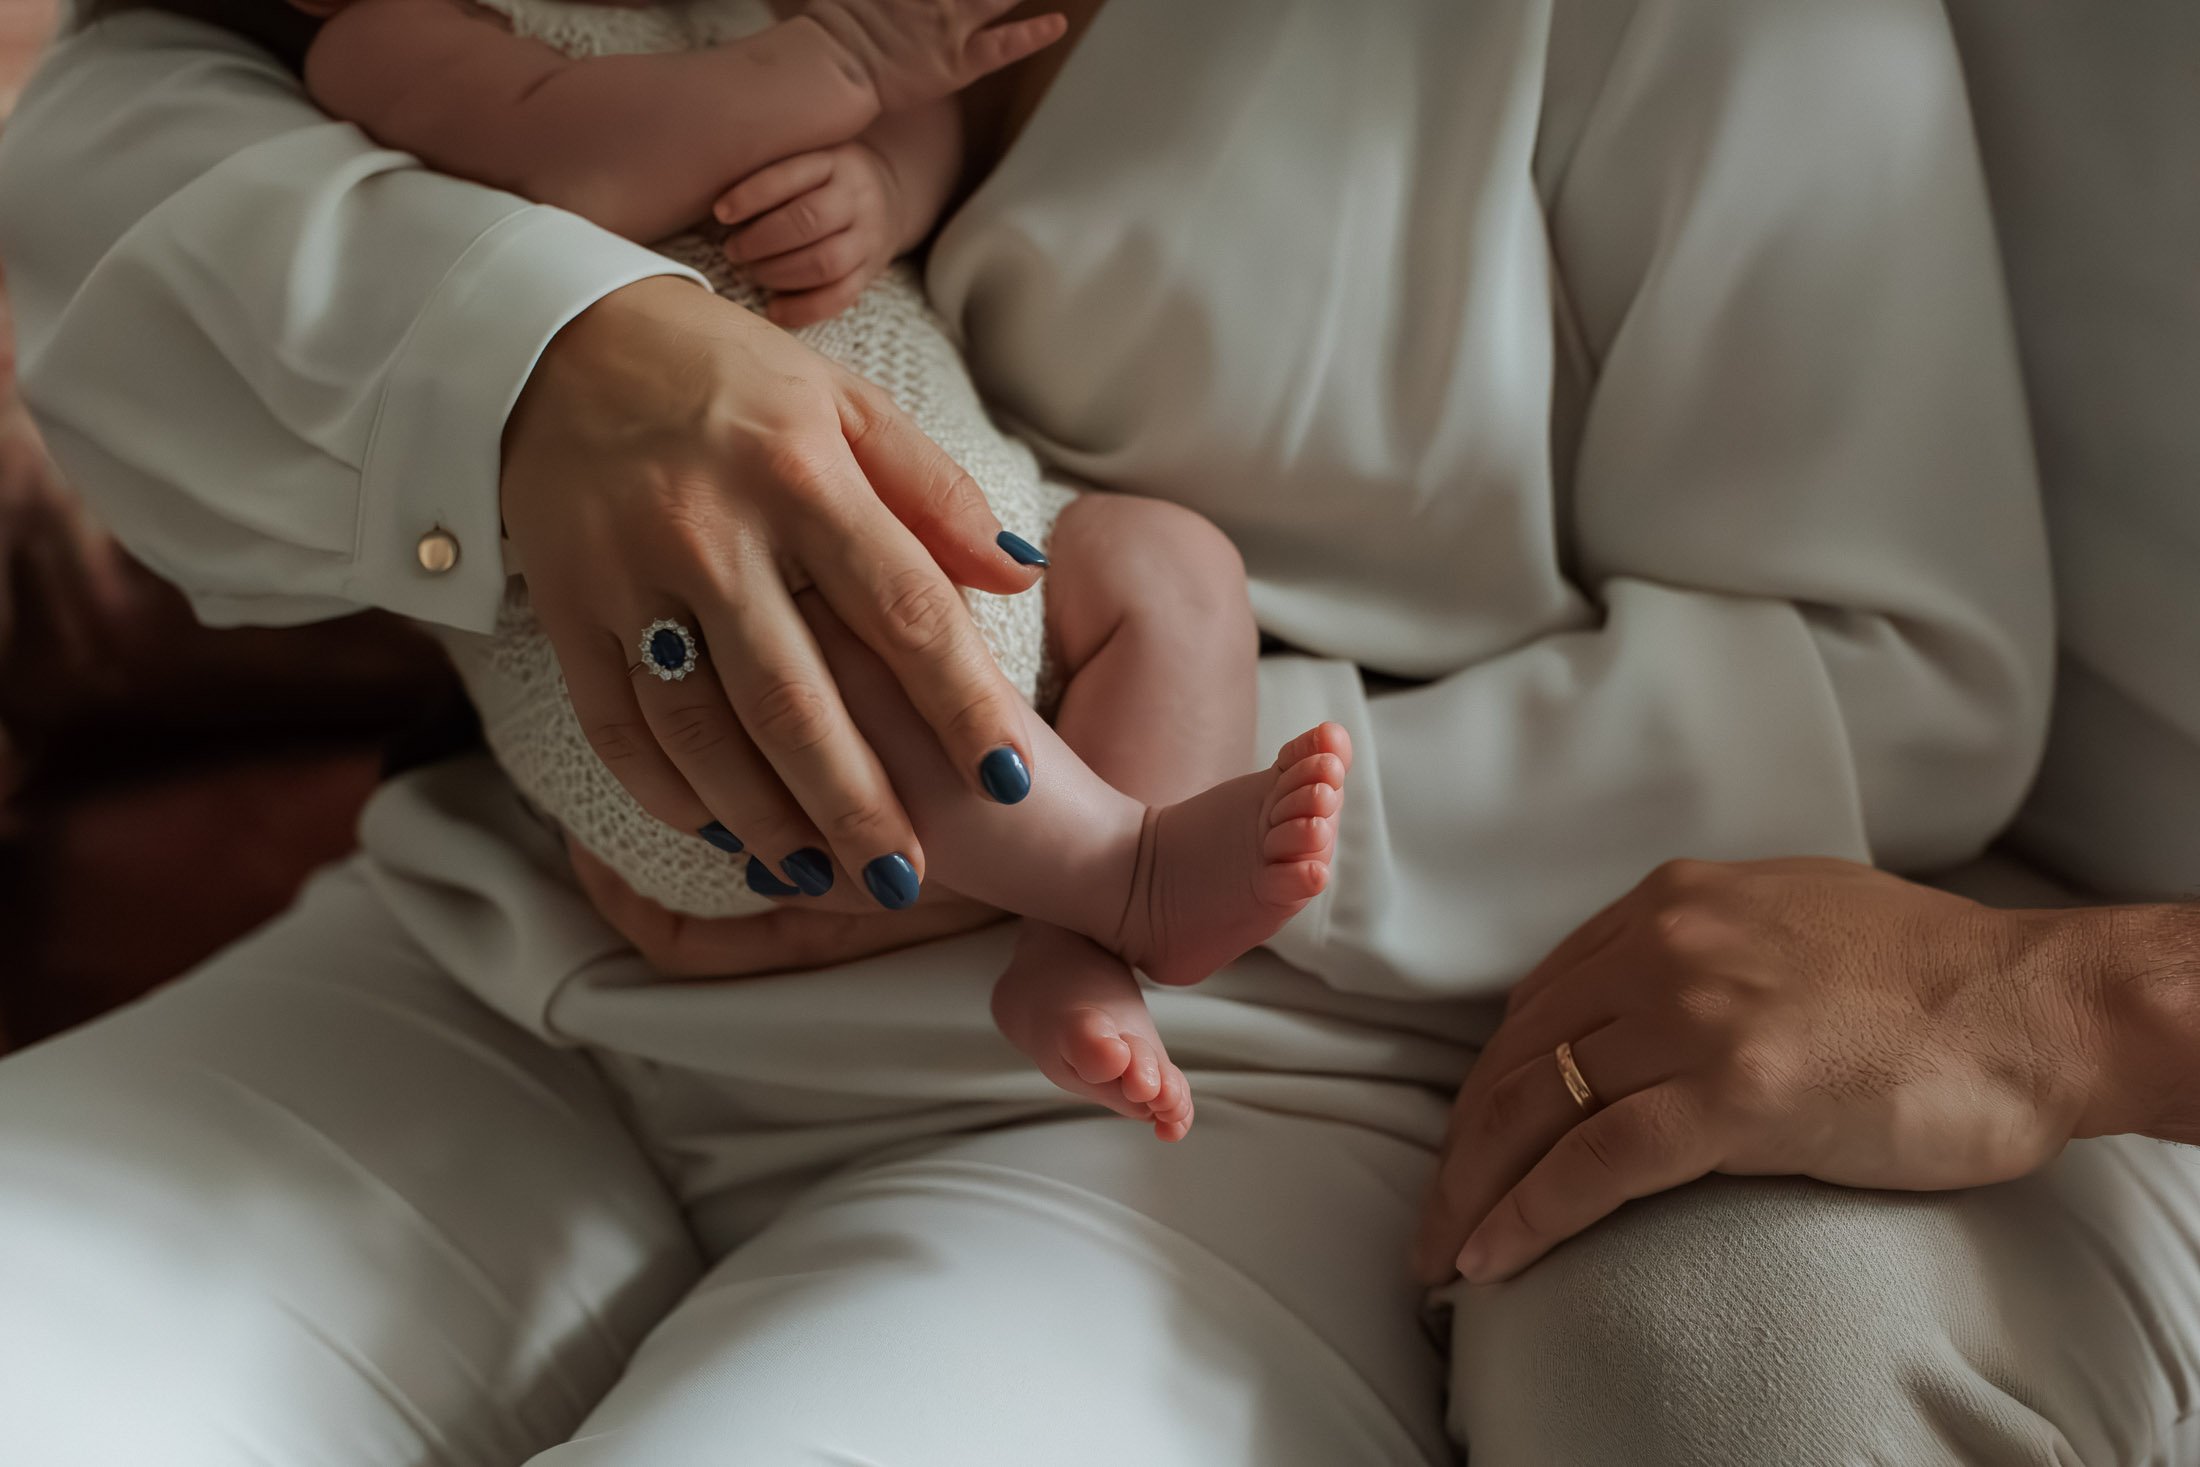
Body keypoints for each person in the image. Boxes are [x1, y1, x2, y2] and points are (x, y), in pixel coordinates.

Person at [2, 1, 2195, 1463]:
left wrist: (1079, 800)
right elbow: (118, 149)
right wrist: (538, 354)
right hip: (500, 961)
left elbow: (1888, 677)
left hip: (1204, 1096)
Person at [292, 0, 1360, 1138]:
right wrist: (846, 59)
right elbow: (581, 167)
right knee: (796, 606)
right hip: (670, 637)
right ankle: (1123, 874)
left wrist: (883, 189)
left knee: (1171, 563)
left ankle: (1073, 947)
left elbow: (924, 120)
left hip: (949, 507)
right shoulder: (388, 41)